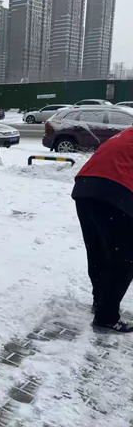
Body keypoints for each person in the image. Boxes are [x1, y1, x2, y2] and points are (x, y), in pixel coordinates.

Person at [73, 128, 133, 333]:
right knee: (123, 261)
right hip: (114, 192)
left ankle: (100, 302)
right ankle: (107, 316)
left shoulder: (127, 134)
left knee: (98, 251)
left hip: (85, 189)